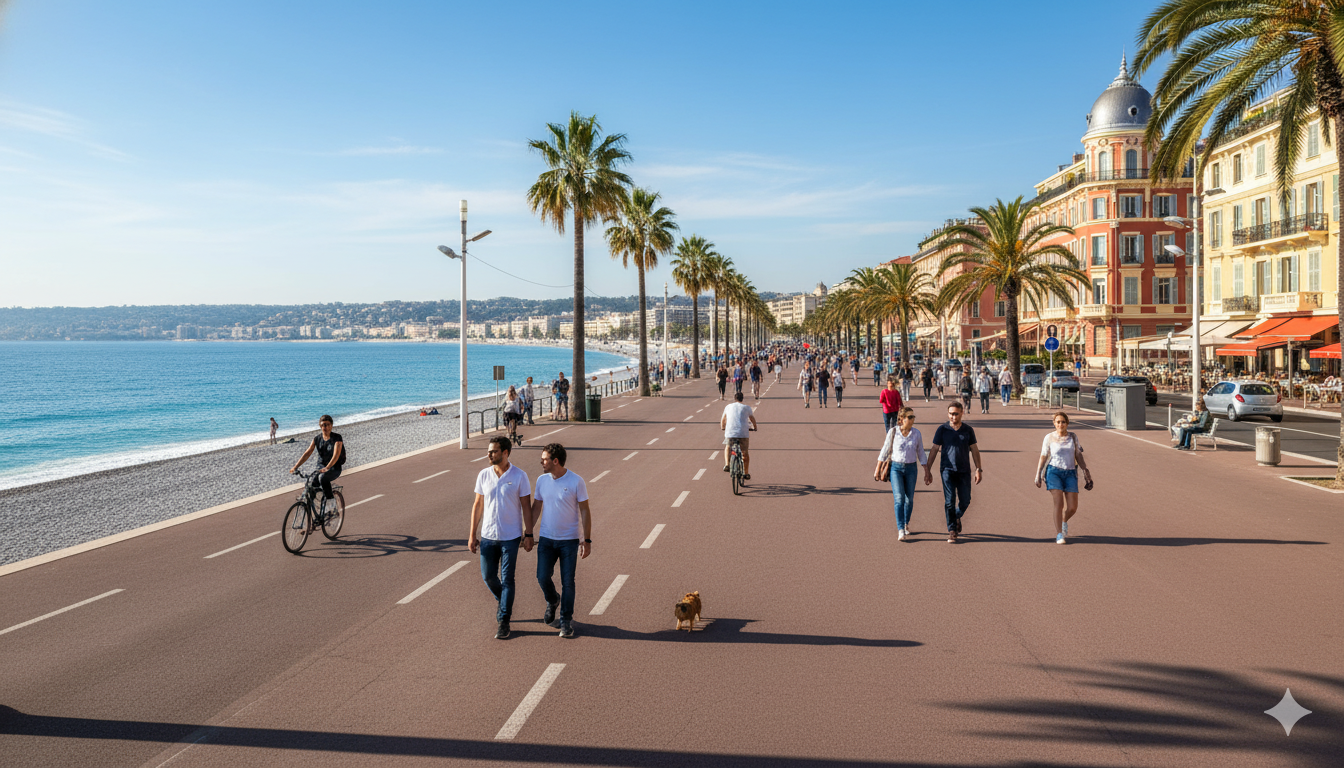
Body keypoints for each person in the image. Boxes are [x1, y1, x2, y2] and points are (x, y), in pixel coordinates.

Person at [469, 436, 532, 640]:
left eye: (494, 451)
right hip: (487, 536)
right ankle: (503, 600)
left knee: (508, 579)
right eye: (489, 451)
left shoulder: (520, 476)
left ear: (505, 453)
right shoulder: (484, 475)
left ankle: (504, 620)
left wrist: (528, 533)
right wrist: (472, 535)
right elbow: (477, 505)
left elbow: (526, 507)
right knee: (488, 576)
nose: (489, 454)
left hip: (510, 537)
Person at [530, 442, 590, 638]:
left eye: (545, 459)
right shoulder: (541, 480)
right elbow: (536, 507)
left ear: (555, 461)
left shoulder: (576, 481)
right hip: (546, 540)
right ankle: (553, 599)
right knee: (542, 577)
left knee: (568, 583)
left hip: (569, 541)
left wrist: (586, 540)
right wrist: (528, 532)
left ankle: (565, 621)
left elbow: (584, 510)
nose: (541, 462)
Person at [924, 402, 982, 543]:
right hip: (947, 470)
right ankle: (952, 530)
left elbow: (974, 449)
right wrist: (928, 470)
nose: (953, 416)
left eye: (955, 413)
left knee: (966, 500)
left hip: (964, 471)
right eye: (950, 413)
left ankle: (955, 517)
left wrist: (978, 469)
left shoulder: (968, 430)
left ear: (962, 413)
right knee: (949, 501)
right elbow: (934, 449)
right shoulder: (942, 430)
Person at [1034, 412, 1090, 544]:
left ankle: (1064, 520)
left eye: (1063, 422)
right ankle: (1059, 534)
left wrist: (1085, 470)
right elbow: (1043, 455)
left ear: (1067, 423)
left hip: (1070, 473)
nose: (1060, 424)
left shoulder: (1073, 437)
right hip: (1054, 472)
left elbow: (1078, 455)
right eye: (1058, 422)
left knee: (1072, 508)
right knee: (1058, 503)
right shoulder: (1049, 437)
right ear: (1054, 423)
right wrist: (1038, 474)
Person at [876, 406, 926, 541]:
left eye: (913, 416)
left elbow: (920, 452)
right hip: (896, 469)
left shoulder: (916, 433)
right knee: (899, 499)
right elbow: (885, 450)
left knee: (909, 500)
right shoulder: (893, 432)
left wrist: (926, 470)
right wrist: (877, 468)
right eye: (909, 417)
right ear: (902, 419)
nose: (912, 419)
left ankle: (905, 522)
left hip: (911, 469)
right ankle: (900, 529)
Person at [289, 415, 346, 518]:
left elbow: (336, 455)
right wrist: (295, 467)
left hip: (334, 468)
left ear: (331, 426)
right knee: (311, 486)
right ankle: (309, 521)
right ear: (320, 426)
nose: (325, 427)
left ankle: (332, 508)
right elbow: (307, 453)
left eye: (328, 425)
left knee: (323, 478)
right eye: (323, 425)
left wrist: (328, 467)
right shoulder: (317, 439)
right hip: (320, 468)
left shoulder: (337, 438)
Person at [720, 391, 758, 479]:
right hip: (743, 433)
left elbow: (723, 419)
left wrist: (723, 427)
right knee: (745, 453)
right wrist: (755, 427)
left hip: (730, 432)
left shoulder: (728, 407)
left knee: (728, 446)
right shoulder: (747, 408)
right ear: (742, 399)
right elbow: (752, 418)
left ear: (735, 398)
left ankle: (727, 464)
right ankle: (746, 473)